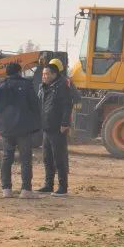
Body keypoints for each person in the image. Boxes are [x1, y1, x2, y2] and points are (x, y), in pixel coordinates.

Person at [0, 61, 42, 199]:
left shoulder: (1, 87)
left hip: (7, 129)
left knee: (7, 157)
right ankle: (26, 190)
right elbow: (35, 105)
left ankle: (6, 190)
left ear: (7, 73)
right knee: (25, 158)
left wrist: (4, 121)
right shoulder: (27, 85)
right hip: (24, 128)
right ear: (19, 72)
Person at [38, 60, 73, 196]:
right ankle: (48, 185)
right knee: (47, 158)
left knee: (59, 158)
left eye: (46, 74)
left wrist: (65, 123)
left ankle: (63, 188)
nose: (44, 76)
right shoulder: (44, 87)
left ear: (54, 74)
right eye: (43, 74)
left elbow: (67, 106)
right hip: (46, 128)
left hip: (58, 128)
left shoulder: (62, 87)